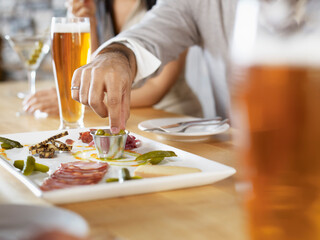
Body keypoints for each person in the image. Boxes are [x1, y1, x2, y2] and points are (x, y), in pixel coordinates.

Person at [70, 0, 237, 133]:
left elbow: (156, 88)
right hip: (239, 146)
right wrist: (114, 55)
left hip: (177, 120)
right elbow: (147, 38)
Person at [22, 0, 203, 118]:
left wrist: (81, 102)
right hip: (117, 115)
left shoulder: (172, 7)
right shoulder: (97, 4)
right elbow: (93, 68)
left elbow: (155, 90)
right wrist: (88, 22)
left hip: (169, 116)